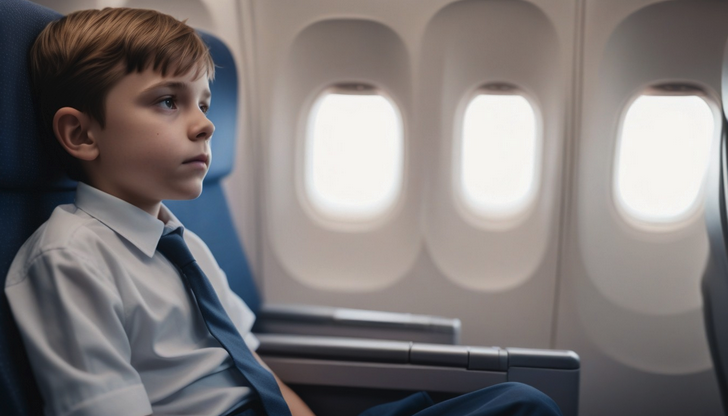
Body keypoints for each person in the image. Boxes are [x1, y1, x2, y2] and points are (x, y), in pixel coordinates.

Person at [4, 7, 564, 416]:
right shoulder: (70, 261)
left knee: (521, 403)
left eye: (202, 101)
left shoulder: (182, 243)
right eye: (169, 101)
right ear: (81, 133)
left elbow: (253, 366)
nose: (205, 123)